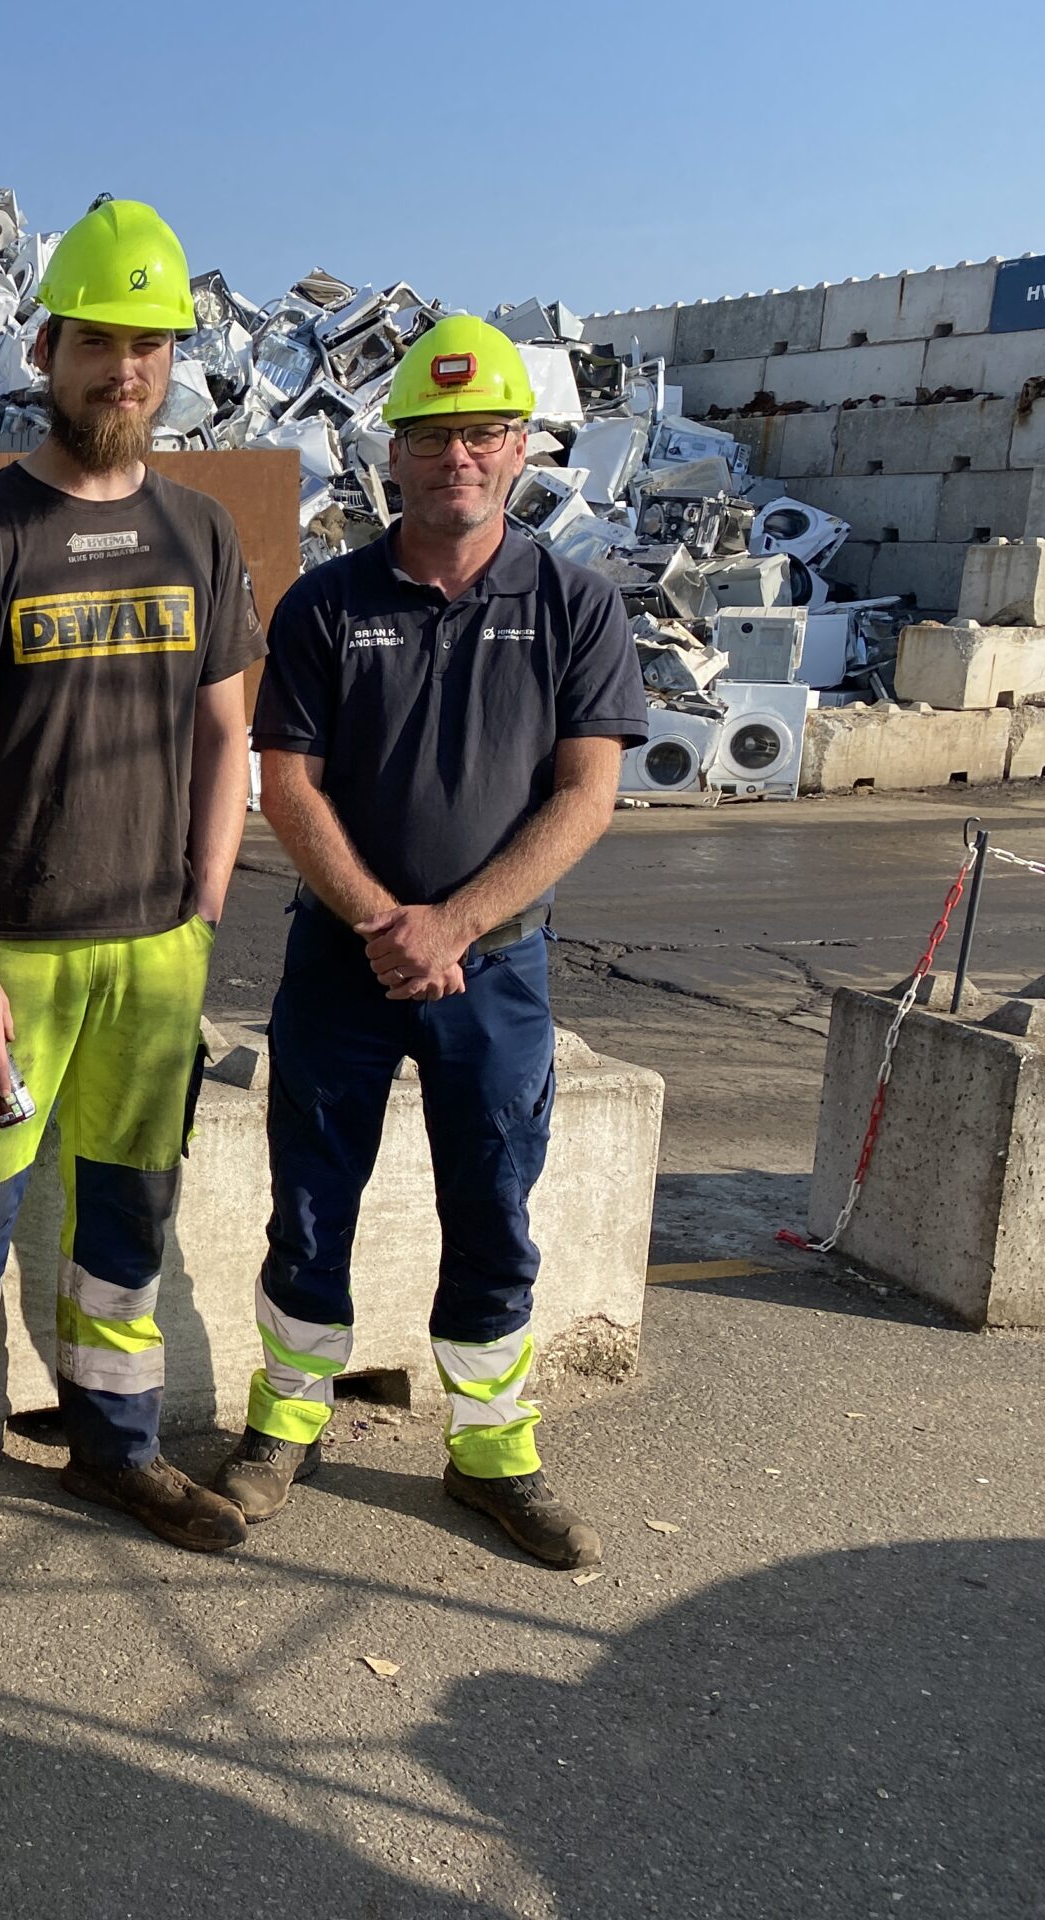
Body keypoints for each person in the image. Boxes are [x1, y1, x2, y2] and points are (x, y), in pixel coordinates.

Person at [0, 198, 264, 1583]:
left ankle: (118, 1441)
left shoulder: (200, 535)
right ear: (47, 348)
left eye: (150, 349)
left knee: (128, 1217)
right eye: (101, 343)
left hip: (154, 956)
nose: (125, 371)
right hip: (11, 953)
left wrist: (204, 910)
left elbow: (224, 736)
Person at [218, 315, 648, 1569]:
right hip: (338, 964)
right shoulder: (323, 603)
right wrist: (380, 923)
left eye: (482, 433)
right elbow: (285, 784)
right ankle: (282, 1428)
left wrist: (451, 926)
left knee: (495, 1208)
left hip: (495, 969)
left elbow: (586, 795)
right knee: (307, 1203)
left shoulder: (572, 604)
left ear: (520, 450)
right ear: (390, 457)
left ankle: (492, 1455)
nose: (456, 456)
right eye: (431, 436)